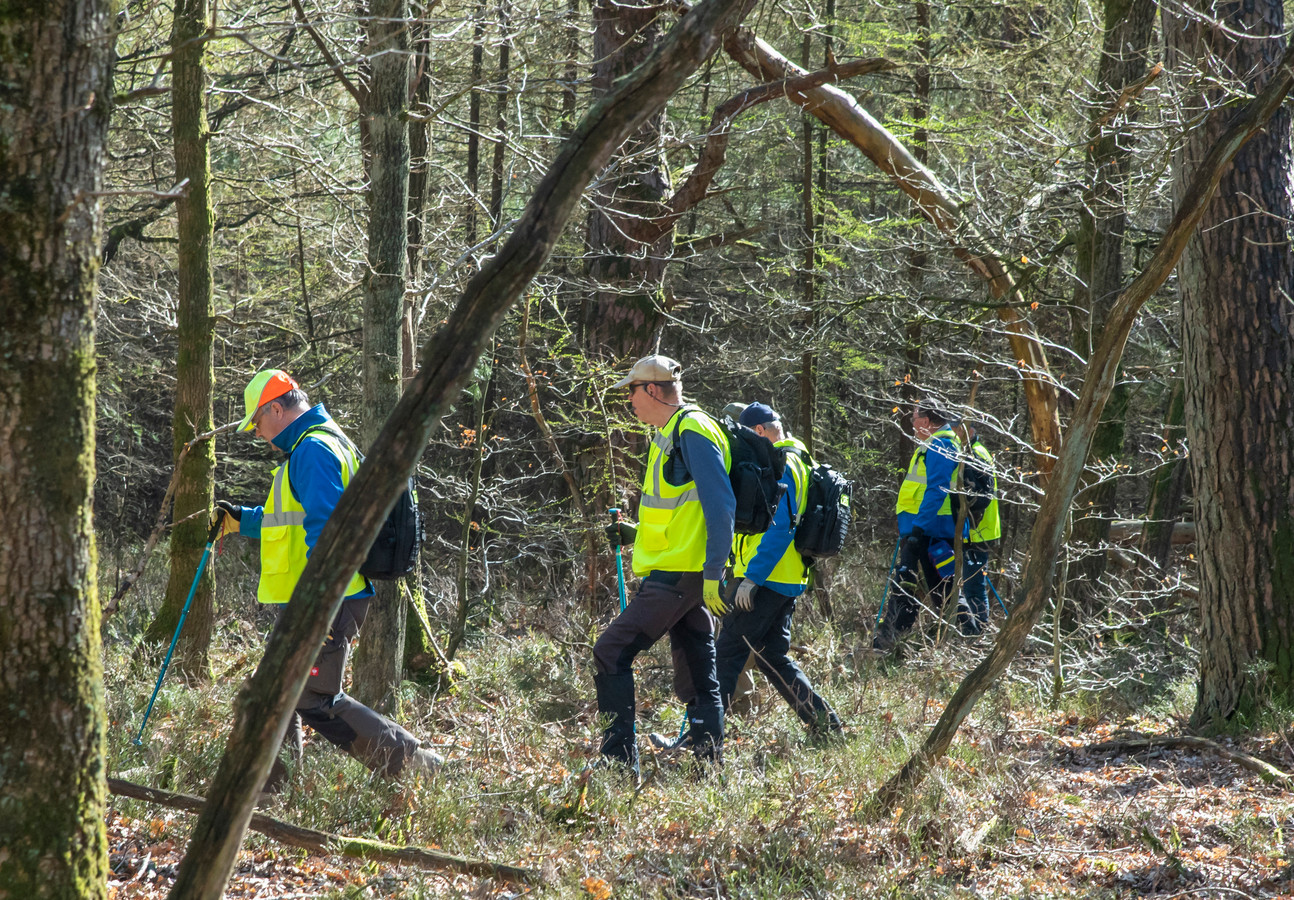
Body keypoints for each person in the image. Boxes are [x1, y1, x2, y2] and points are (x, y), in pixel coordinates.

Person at [218, 369, 442, 794]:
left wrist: (318, 607)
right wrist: (238, 521)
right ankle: (269, 792)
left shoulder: (314, 450)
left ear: (276, 409)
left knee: (313, 699)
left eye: (258, 424)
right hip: (319, 597)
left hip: (325, 598)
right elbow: (290, 520)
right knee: (275, 691)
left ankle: (418, 767)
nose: (259, 435)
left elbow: (327, 532)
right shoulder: (316, 445)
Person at [593, 354, 734, 775]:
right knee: (697, 671)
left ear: (653, 390)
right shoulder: (670, 433)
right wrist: (636, 533)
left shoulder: (690, 430)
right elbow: (681, 510)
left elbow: (721, 505)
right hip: (682, 572)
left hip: (681, 575)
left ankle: (618, 769)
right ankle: (708, 770)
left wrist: (713, 573)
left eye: (632, 392)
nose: (629, 401)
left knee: (611, 651)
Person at [717, 402, 842, 735]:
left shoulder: (784, 463)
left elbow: (781, 526)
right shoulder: (801, 460)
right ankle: (826, 726)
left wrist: (752, 579)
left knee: (726, 654)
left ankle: (702, 738)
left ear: (759, 432)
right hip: (785, 577)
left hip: (767, 578)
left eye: (747, 437)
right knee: (773, 657)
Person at [873, 401, 963, 651]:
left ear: (926, 421)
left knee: (916, 584)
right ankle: (953, 639)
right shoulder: (936, 443)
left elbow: (937, 488)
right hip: (924, 528)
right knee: (938, 588)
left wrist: (919, 528)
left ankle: (888, 641)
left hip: (930, 530)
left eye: (914, 419)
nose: (912, 424)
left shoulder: (942, 444)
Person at [957, 421, 1000, 635]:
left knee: (974, 586)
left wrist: (965, 511)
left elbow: (983, 497)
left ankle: (978, 632)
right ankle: (971, 630)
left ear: (970, 430)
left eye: (958, 428)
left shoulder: (976, 453)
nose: (954, 433)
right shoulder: (969, 451)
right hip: (973, 532)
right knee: (969, 584)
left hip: (979, 532)